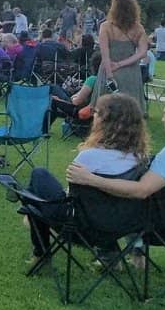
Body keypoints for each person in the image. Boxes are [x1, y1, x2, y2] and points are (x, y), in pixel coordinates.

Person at [24, 93, 151, 260]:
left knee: (38, 178)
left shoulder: (90, 156)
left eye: (97, 113)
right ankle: (109, 252)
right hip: (120, 225)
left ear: (106, 121)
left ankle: (40, 252)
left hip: (81, 227)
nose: (93, 117)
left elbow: (71, 193)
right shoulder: (141, 160)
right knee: (100, 204)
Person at [91, 0, 148, 115]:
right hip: (131, 72)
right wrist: (122, 64)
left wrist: (110, 75)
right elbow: (143, 52)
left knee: (107, 110)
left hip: (109, 68)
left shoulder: (105, 27)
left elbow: (105, 54)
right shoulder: (138, 29)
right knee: (130, 110)